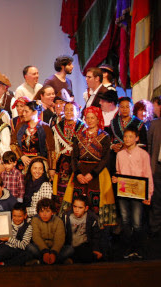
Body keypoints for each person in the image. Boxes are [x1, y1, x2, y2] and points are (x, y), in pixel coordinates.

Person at [60, 106, 116, 227]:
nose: (89, 120)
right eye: (87, 118)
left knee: (96, 200)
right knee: (77, 198)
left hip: (97, 174)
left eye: (93, 118)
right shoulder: (79, 136)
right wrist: (78, 173)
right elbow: (74, 157)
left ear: (98, 119)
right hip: (80, 172)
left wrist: (93, 174)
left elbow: (105, 158)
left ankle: (95, 230)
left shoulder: (105, 136)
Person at [112, 127, 154, 259]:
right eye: (125, 137)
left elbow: (148, 175)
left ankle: (138, 248)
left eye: (131, 136)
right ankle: (128, 248)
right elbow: (118, 172)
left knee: (137, 222)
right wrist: (116, 178)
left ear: (136, 138)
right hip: (124, 192)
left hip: (138, 193)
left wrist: (149, 194)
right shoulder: (120, 154)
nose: (127, 139)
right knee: (125, 221)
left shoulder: (143, 155)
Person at [51, 102, 86, 206]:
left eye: (71, 110)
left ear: (77, 112)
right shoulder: (58, 127)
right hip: (63, 163)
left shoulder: (83, 127)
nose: (68, 112)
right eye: (66, 110)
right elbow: (56, 150)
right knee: (61, 190)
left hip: (78, 162)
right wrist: (53, 167)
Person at [11, 101, 54, 172]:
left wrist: (52, 168)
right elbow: (13, 144)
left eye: (26, 112)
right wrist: (22, 156)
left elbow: (51, 149)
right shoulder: (20, 126)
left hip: (39, 163)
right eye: (23, 111)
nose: (23, 114)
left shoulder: (45, 127)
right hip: (22, 162)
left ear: (35, 112)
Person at [61, 196, 103, 263]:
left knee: (86, 253)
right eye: (75, 206)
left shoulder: (92, 218)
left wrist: (95, 249)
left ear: (86, 208)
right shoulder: (66, 216)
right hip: (70, 246)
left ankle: (72, 260)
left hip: (84, 246)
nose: (77, 210)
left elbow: (96, 236)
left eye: (80, 208)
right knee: (66, 252)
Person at [28, 198, 69, 264]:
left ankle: (41, 261)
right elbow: (36, 237)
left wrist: (54, 252)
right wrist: (45, 251)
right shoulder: (35, 220)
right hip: (40, 248)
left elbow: (59, 239)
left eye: (47, 211)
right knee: (30, 247)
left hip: (54, 248)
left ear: (52, 212)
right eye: (42, 211)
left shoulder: (58, 221)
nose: (44, 214)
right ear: (38, 213)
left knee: (69, 249)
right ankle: (57, 261)